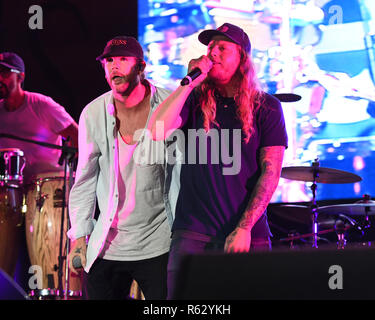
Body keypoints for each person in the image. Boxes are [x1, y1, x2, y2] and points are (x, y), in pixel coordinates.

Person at [148, 23, 288, 299]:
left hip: (248, 232)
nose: (213, 54)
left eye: (222, 48)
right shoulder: (193, 100)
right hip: (193, 232)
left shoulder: (267, 106)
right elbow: (156, 131)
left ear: (242, 60)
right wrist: (188, 82)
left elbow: (271, 172)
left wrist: (244, 228)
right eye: (210, 48)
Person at [67, 36, 172, 300]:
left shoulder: (168, 104)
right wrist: (79, 238)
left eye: (123, 59)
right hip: (109, 244)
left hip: (158, 242)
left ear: (141, 67)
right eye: (109, 61)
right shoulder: (93, 113)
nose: (114, 66)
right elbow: (85, 180)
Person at [0, 52, 78, 183]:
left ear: (20, 77)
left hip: (49, 187)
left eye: (5, 73)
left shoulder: (42, 105)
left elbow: (78, 136)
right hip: (13, 188)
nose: (0, 78)